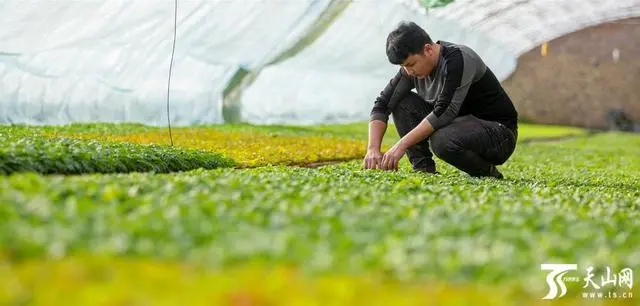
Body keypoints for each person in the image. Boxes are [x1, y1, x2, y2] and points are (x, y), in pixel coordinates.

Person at [363, 21, 519, 179]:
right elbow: (382, 105)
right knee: (402, 102)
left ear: (428, 49)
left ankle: (488, 174)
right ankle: (423, 169)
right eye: (404, 67)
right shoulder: (410, 71)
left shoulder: (459, 59)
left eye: (411, 64)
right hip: (459, 126)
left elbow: (445, 112)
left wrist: (401, 145)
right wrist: (373, 149)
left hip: (500, 134)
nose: (408, 72)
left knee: (442, 141)